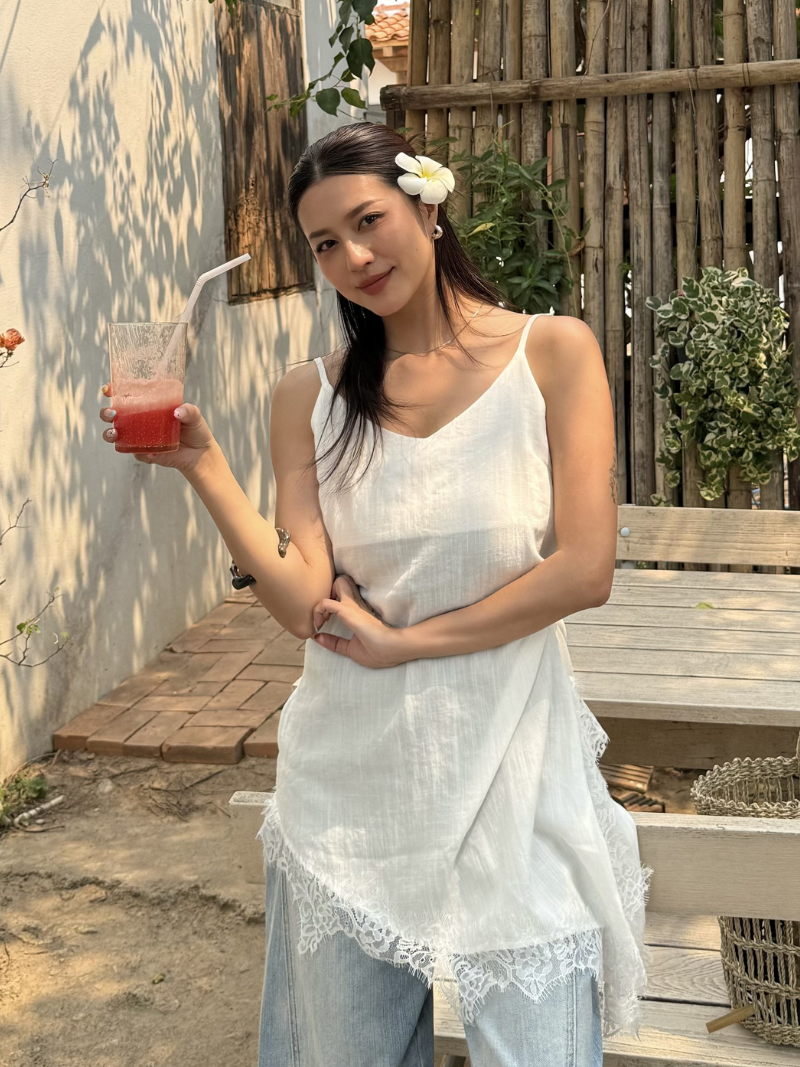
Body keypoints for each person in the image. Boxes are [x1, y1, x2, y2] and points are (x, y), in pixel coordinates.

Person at [99, 121, 652, 1067]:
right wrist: (203, 466)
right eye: (324, 243)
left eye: (367, 221)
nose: (352, 257)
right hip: (353, 789)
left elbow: (583, 569)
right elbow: (304, 599)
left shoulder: (552, 354)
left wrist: (408, 642)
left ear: (427, 208)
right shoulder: (308, 396)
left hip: (515, 769)